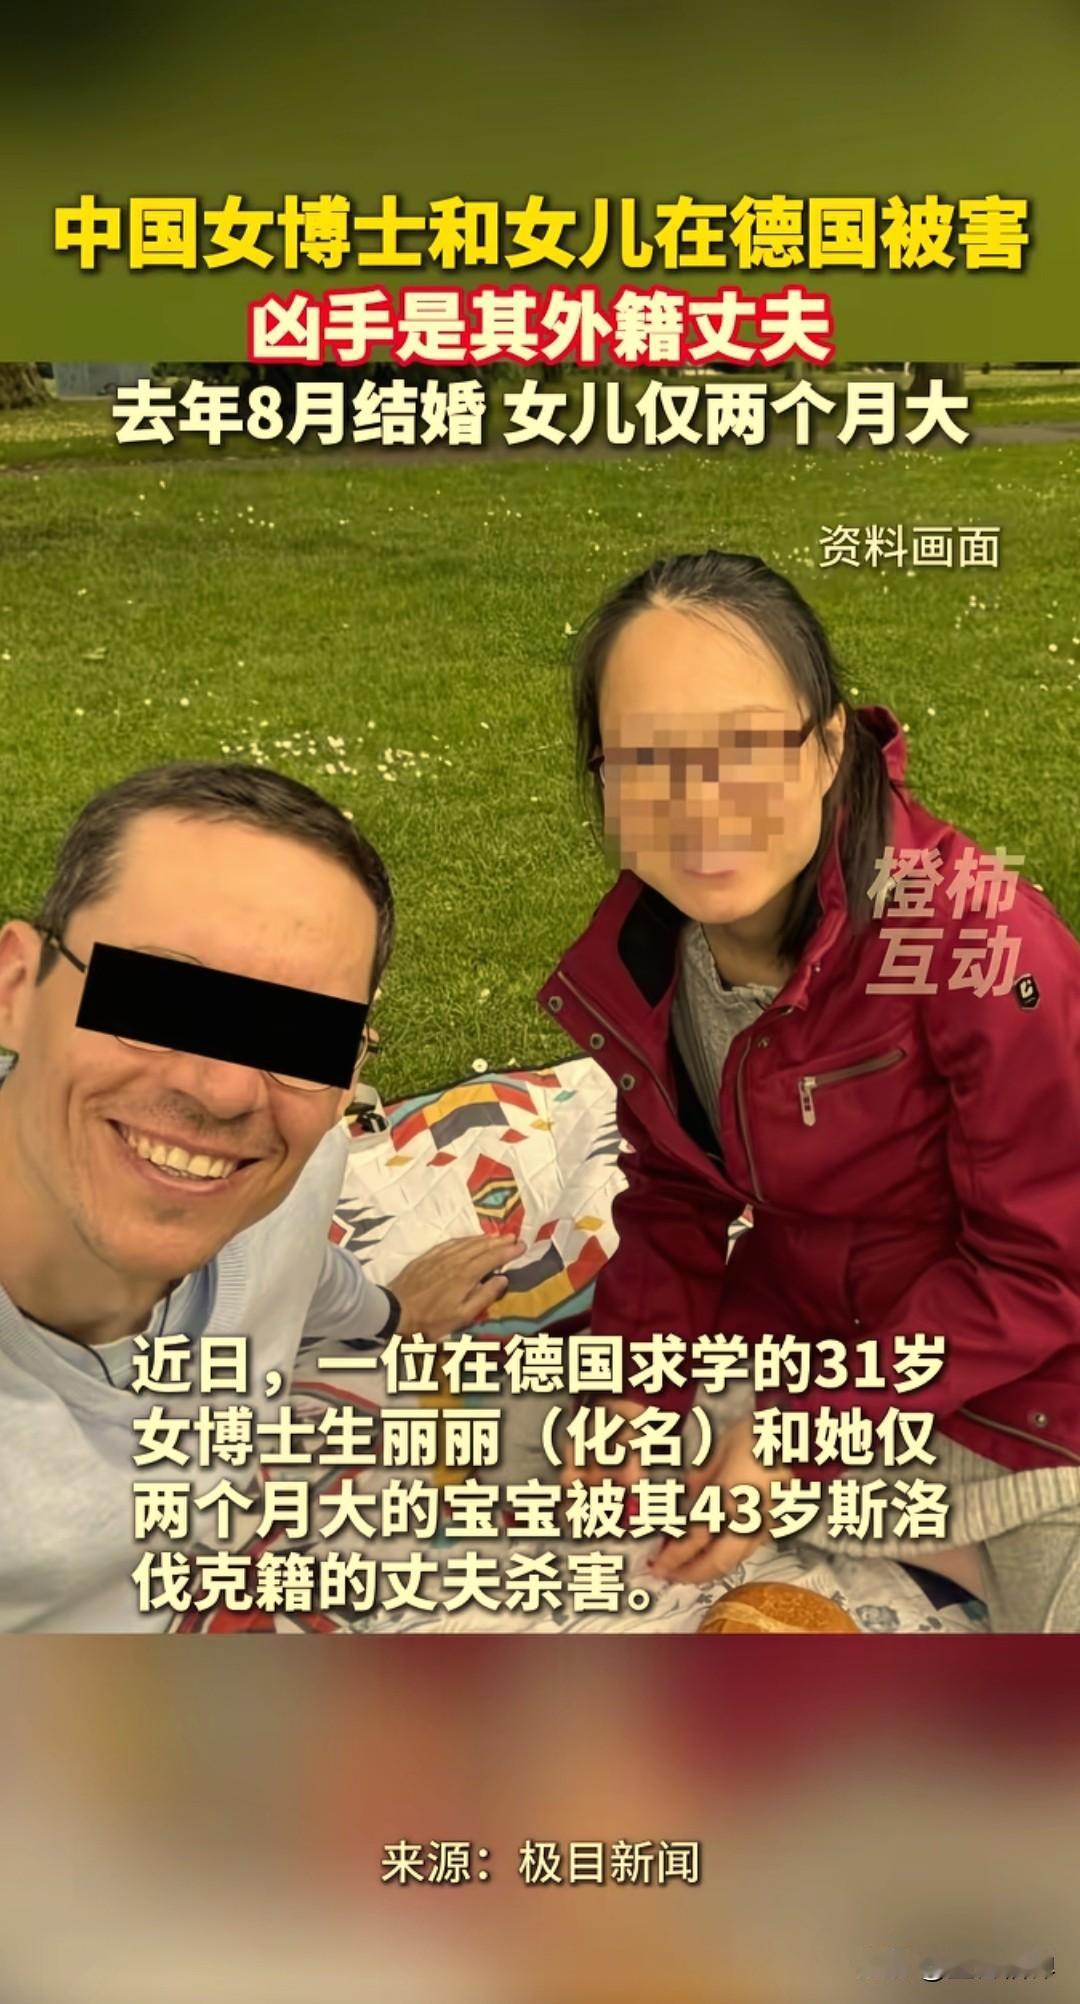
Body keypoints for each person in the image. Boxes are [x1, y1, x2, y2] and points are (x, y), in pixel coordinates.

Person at [540, 551, 1080, 1633]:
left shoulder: (984, 947)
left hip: (1020, 1398)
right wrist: (634, 1383)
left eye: (745, 746)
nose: (697, 804)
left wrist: (801, 1436)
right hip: (810, 1343)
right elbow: (681, 1192)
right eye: (644, 757)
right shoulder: (649, 955)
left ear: (830, 744)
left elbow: (1042, 1265)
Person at [0, 763, 523, 1632]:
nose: (227, 1090)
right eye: (158, 999)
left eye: (297, 1036)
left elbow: (291, 1252)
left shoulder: (293, 1169)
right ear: (17, 989)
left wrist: (392, 1314)